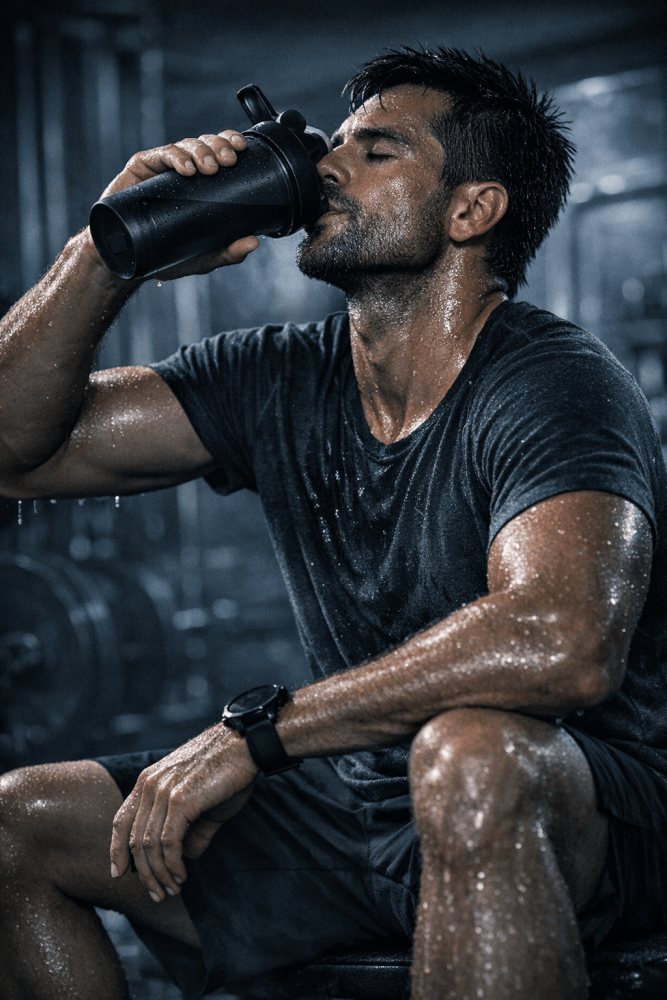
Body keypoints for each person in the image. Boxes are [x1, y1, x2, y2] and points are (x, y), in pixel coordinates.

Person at [0, 45, 666, 1000]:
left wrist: (254, 735)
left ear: (471, 211)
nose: (326, 168)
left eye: (376, 152)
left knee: (466, 754)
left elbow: (560, 639)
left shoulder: (554, 381)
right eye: (334, 146)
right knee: (16, 822)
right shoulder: (273, 374)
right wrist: (109, 252)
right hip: (355, 802)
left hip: (577, 804)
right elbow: (10, 451)